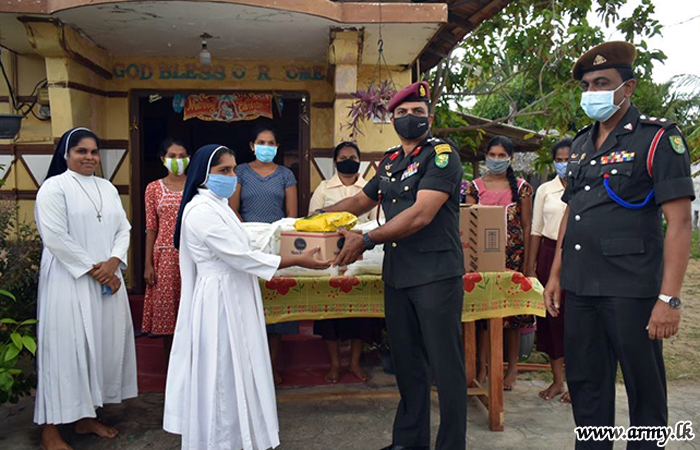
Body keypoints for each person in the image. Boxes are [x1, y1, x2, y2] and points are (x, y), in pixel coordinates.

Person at [544, 41, 694, 449]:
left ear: (627, 87)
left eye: (603, 83)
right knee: (587, 388)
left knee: (644, 392)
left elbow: (679, 224)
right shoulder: (578, 144)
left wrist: (670, 299)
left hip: (631, 289)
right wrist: (556, 274)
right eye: (588, 84)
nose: (593, 92)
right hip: (581, 287)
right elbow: (571, 215)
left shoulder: (658, 139)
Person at [319, 81, 467, 450]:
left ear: (429, 117)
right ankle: (409, 442)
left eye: (417, 112)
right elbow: (359, 201)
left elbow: (421, 214)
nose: (409, 118)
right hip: (399, 273)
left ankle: (451, 445)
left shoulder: (442, 155)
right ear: (392, 119)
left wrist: (366, 239)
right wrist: (313, 218)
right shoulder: (389, 161)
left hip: (435, 274)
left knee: (445, 366)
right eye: (401, 113)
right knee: (407, 362)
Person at [163, 144, 329, 450]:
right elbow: (239, 256)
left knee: (240, 366)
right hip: (219, 300)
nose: (230, 177)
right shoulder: (200, 210)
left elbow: (247, 243)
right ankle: (217, 440)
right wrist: (297, 260)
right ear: (203, 175)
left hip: (236, 292)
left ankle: (241, 438)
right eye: (223, 171)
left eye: (233, 171)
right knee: (221, 370)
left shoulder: (220, 205)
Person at [34, 127, 137, 450]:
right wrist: (100, 271)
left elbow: (124, 228)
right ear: (66, 154)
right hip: (69, 281)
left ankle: (85, 415)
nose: (89, 157)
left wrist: (114, 260)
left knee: (100, 349)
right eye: (81, 151)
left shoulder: (107, 188)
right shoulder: (54, 188)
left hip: (105, 278)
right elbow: (55, 237)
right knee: (65, 351)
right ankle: (50, 430)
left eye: (94, 152)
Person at [230, 124, 299, 384]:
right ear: (251, 145)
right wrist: (249, 237)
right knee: (249, 307)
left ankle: (270, 367)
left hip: (277, 243)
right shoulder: (239, 172)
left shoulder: (285, 175)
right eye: (262, 142)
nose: (266, 147)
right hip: (247, 243)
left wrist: (276, 236)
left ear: (277, 147)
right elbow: (232, 210)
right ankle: (249, 370)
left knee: (275, 309)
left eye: (271, 143)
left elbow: (291, 214)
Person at [464, 136, 533, 390]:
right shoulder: (474, 187)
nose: (496, 159)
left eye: (501, 155)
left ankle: (511, 369)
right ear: (485, 157)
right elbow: (469, 222)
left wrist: (528, 264)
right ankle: (480, 368)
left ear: (510, 158)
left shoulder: (523, 187)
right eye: (492, 154)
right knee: (483, 316)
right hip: (483, 261)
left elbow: (526, 226)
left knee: (512, 317)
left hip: (513, 260)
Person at [309, 141, 382, 383]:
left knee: (359, 312)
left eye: (352, 156)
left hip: (362, 254)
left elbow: (376, 221)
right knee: (330, 313)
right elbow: (313, 221)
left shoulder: (370, 187)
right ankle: (334, 364)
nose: (347, 160)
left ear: (359, 160)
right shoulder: (324, 187)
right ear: (335, 161)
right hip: (330, 255)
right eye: (342, 157)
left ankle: (353, 363)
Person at [525, 138, 572, 403]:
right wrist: (530, 268)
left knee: (576, 320)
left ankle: (577, 384)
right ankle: (557, 381)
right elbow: (535, 229)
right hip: (548, 253)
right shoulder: (545, 189)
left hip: (578, 256)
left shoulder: (586, 186)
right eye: (560, 159)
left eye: (569, 159)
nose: (564, 164)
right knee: (551, 319)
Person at [142, 138, 189, 359]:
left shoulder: (197, 187)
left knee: (190, 312)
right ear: (163, 159)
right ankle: (172, 366)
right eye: (172, 156)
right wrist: (148, 264)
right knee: (168, 317)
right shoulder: (153, 189)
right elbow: (151, 227)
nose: (178, 160)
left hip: (192, 256)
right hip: (165, 257)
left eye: (182, 156)